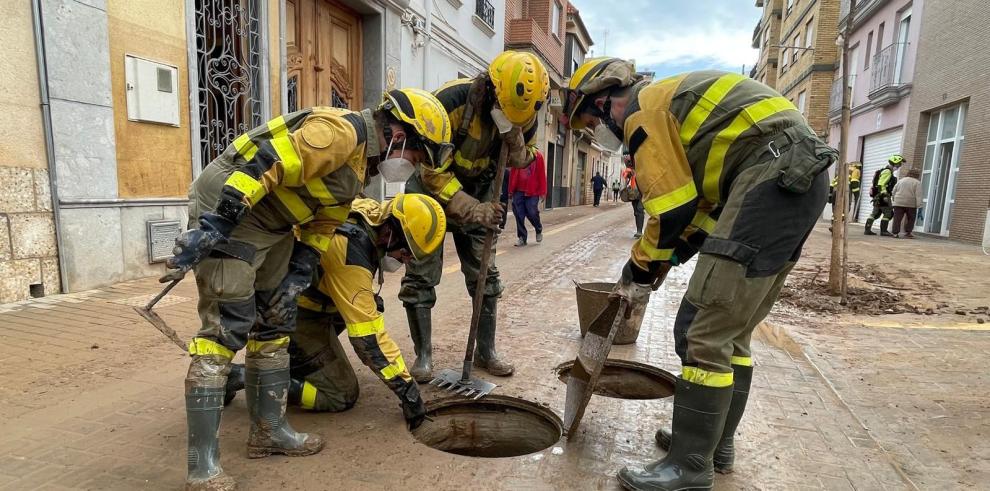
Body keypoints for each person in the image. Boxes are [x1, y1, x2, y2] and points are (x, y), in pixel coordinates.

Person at [163, 87, 454, 491]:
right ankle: (202, 467)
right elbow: (266, 163)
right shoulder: (340, 134)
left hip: (275, 223)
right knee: (225, 330)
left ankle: (269, 431)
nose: (414, 166)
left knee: (275, 324)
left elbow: (324, 223)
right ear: (400, 136)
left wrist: (299, 272)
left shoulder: (359, 168)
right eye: (419, 157)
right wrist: (215, 227)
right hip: (237, 209)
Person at [562, 59, 833, 491]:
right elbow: (702, 209)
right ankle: (712, 445)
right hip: (791, 181)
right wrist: (671, 257)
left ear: (602, 101)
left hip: (771, 177)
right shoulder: (678, 110)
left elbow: (669, 209)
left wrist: (638, 269)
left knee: (700, 329)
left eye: (592, 119)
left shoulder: (642, 111)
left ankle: (689, 466)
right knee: (732, 329)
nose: (599, 130)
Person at [400, 50, 550, 382]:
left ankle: (486, 351)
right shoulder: (450, 101)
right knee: (420, 277)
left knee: (486, 276)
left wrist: (516, 141)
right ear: (492, 88)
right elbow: (430, 171)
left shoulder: (528, 113)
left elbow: (528, 157)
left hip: (483, 188)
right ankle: (424, 355)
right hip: (430, 193)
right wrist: (473, 209)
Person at [508, 149, 547, 246]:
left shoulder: (537, 156)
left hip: (532, 191)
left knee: (532, 212)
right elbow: (513, 173)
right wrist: (510, 190)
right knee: (519, 214)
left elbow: (541, 174)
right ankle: (522, 237)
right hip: (518, 190)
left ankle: (538, 229)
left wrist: (543, 192)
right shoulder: (517, 154)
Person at [865, 155, 904, 236]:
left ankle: (867, 230)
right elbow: (881, 184)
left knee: (875, 213)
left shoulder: (884, 171)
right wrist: (885, 195)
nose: (899, 167)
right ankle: (884, 231)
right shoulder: (887, 171)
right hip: (883, 195)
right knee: (888, 213)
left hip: (877, 196)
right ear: (894, 163)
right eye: (898, 165)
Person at [891, 167, 923, 238]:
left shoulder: (901, 181)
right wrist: (919, 206)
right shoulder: (917, 183)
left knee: (897, 218)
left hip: (898, 203)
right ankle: (908, 232)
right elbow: (918, 196)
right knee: (911, 218)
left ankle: (895, 233)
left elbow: (893, 191)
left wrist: (894, 200)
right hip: (910, 204)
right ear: (917, 175)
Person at [620, 155, 645, 238]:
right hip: (633, 193)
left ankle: (639, 231)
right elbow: (624, 176)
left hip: (642, 192)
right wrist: (629, 172)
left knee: (640, 209)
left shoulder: (642, 169)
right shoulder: (629, 171)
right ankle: (638, 230)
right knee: (636, 212)